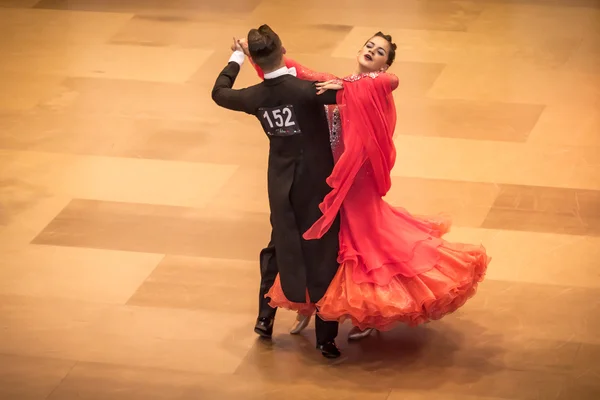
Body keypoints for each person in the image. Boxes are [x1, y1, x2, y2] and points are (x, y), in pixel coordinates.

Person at [242, 32, 490, 340]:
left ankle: (370, 311)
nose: (373, 51)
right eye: (370, 46)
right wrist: (256, 55)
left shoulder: (378, 86)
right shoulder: (335, 82)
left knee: (364, 249)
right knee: (329, 250)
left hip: (357, 181)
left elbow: (393, 81)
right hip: (329, 180)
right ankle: (318, 307)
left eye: (381, 51)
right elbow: (292, 72)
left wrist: (346, 86)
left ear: (385, 64)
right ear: (359, 50)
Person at [211, 24, 343, 358]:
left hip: (279, 185)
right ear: (284, 50)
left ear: (256, 58)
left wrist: (236, 56)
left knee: (278, 246)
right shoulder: (307, 90)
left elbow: (219, 92)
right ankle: (325, 340)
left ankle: (265, 319)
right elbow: (351, 94)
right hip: (316, 184)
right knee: (324, 252)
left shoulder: (254, 97)